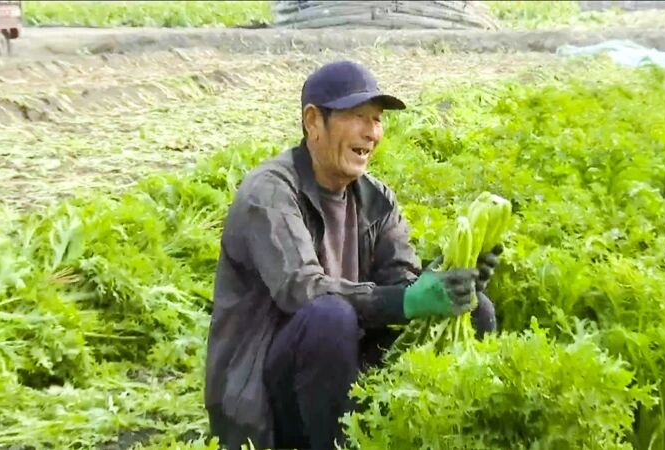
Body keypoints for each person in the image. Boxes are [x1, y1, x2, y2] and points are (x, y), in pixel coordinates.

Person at [204, 60, 503, 450]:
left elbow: (402, 283)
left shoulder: (376, 199)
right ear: (313, 122)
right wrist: (406, 300)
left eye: (376, 120)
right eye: (357, 116)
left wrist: (450, 278)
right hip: (265, 397)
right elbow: (301, 289)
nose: (371, 132)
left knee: (477, 310)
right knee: (329, 316)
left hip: (341, 377)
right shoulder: (271, 192)